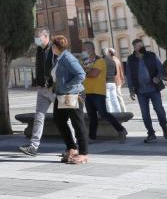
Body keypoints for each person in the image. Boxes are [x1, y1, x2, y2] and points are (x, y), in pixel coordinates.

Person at [50, 35, 88, 164]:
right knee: (59, 120)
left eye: (52, 46)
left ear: (55, 47)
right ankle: (71, 148)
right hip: (62, 95)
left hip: (73, 94)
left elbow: (81, 74)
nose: (51, 48)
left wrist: (67, 85)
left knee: (77, 123)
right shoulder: (59, 58)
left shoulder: (67, 58)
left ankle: (83, 153)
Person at [81, 41, 127, 143]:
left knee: (103, 113)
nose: (83, 51)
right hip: (87, 91)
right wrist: (84, 71)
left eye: (85, 49)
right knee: (92, 116)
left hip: (98, 91)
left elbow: (93, 74)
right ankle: (91, 137)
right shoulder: (84, 61)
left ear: (92, 49)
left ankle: (121, 130)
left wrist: (82, 72)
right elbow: (81, 72)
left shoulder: (100, 60)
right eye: (83, 49)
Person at [19, 28, 55, 156]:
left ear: (46, 36)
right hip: (42, 88)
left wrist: (51, 80)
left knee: (65, 118)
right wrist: (37, 79)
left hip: (54, 88)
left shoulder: (55, 48)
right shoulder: (39, 49)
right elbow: (40, 66)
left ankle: (74, 145)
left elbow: (56, 67)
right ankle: (33, 146)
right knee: (39, 117)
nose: (36, 41)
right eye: (35, 38)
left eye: (38, 38)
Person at [126, 38, 167, 143]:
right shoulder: (130, 59)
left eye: (142, 45)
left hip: (153, 89)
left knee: (159, 110)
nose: (142, 47)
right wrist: (131, 90)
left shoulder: (151, 55)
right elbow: (129, 75)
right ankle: (151, 133)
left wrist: (157, 77)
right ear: (134, 48)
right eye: (139, 46)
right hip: (140, 91)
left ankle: (164, 127)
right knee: (145, 114)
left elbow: (161, 70)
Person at [104, 48, 127, 113]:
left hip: (114, 81)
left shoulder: (112, 60)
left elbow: (115, 72)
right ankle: (123, 110)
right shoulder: (117, 59)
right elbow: (121, 70)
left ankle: (121, 111)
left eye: (108, 52)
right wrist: (122, 79)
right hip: (117, 81)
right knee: (117, 97)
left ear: (110, 53)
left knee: (116, 98)